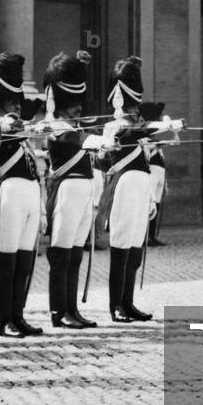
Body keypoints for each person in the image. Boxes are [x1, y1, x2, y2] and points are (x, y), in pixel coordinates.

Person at [0, 52, 43, 339]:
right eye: (10, 102)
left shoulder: (21, 129)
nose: (16, 107)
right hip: (8, 192)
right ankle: (3, 320)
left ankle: (18, 314)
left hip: (28, 191)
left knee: (26, 261)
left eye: (17, 102)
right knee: (7, 261)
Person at [41, 51, 97, 329]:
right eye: (72, 103)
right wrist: (99, 140)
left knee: (75, 252)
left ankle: (71, 309)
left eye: (79, 102)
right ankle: (58, 312)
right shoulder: (53, 123)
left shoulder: (75, 124)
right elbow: (74, 139)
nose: (78, 108)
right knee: (61, 253)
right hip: (64, 191)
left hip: (83, 191)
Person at [100, 56, 154, 322]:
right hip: (123, 188)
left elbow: (145, 158)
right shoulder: (114, 126)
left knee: (134, 249)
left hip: (140, 187)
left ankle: (128, 301)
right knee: (121, 247)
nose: (135, 111)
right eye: (131, 105)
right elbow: (114, 143)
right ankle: (116, 305)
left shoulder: (136, 126)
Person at [140, 101, 168, 247]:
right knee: (149, 204)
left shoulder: (155, 137)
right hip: (150, 172)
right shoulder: (146, 137)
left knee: (156, 204)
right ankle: (144, 236)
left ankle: (152, 235)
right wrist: (156, 144)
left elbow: (162, 160)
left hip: (159, 173)